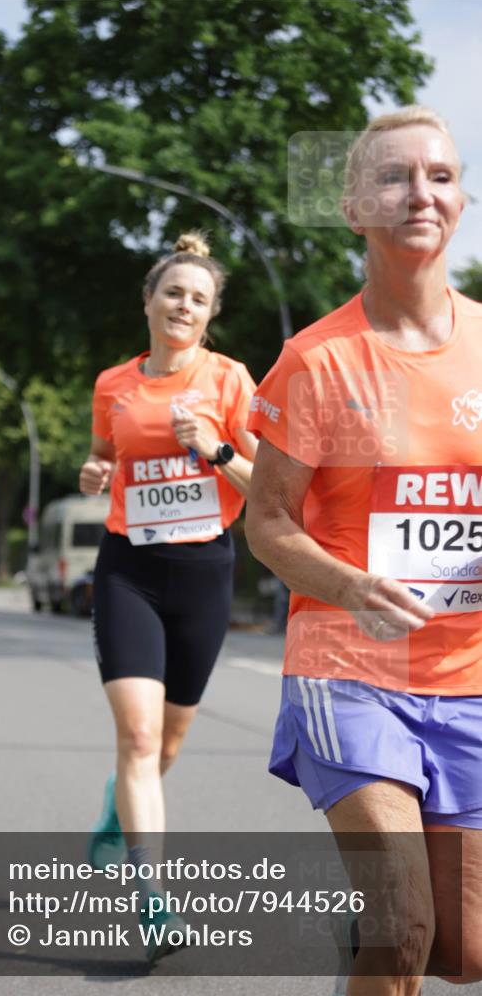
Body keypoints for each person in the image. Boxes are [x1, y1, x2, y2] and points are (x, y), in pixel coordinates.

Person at [245, 106, 481, 995]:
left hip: (468, 677)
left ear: (459, 201)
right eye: (393, 177)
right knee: (406, 928)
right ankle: (383, 933)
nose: (419, 193)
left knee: (463, 952)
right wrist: (349, 586)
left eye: (439, 176)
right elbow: (267, 521)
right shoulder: (316, 360)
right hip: (348, 672)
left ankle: (371, 938)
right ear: (353, 208)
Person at [79, 231, 257, 962]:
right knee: (139, 738)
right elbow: (103, 454)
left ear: (209, 314)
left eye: (198, 298)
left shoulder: (230, 380)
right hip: (129, 568)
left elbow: (267, 483)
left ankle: (115, 806)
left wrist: (215, 449)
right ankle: (153, 899)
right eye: (173, 292)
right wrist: (93, 472)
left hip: (204, 571)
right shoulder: (112, 384)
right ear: (148, 301)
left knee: (170, 741)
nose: (184, 305)